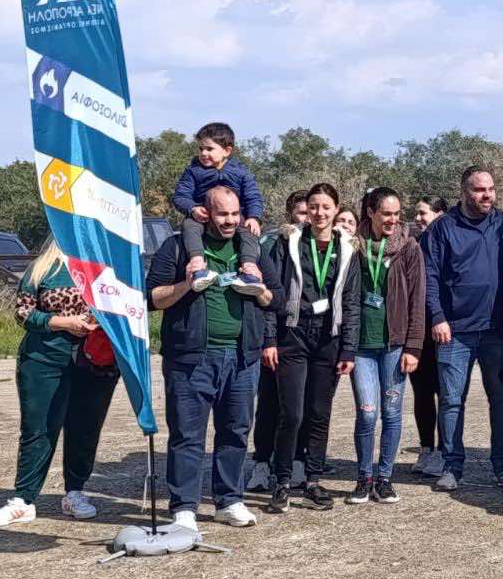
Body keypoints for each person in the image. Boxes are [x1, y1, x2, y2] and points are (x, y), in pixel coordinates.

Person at [146, 186, 283, 530]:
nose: (230, 221)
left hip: (241, 358)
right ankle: (184, 508)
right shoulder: (177, 247)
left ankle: (229, 501)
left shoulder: (249, 247)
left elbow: (277, 299)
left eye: (235, 214)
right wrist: (186, 286)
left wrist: (259, 291)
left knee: (235, 431)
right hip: (191, 359)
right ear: (205, 213)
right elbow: (152, 297)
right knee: (187, 435)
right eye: (223, 214)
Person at [0, 242, 120, 528]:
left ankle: (75, 492)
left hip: (94, 360)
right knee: (39, 428)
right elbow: (23, 313)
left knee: (85, 428)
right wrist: (62, 322)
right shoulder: (44, 268)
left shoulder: (106, 267)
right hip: (43, 358)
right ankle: (23, 500)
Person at [266, 182, 362, 512]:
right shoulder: (289, 242)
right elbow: (272, 292)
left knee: (320, 413)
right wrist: (269, 339)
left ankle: (312, 481)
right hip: (293, 335)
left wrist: (348, 349)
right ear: (306, 209)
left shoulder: (348, 248)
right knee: (292, 413)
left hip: (328, 339)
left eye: (326, 207)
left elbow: (351, 303)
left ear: (336, 210)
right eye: (314, 207)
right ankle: (280, 481)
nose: (319, 213)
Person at [422, 165, 503, 492]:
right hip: (455, 332)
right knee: (451, 400)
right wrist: (437, 317)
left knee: (501, 399)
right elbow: (430, 276)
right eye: (479, 190)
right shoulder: (442, 228)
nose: (486, 195)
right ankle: (451, 466)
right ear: (463, 191)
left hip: (497, 331)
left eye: (490, 189)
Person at [346, 187, 426, 505]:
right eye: (386, 214)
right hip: (361, 345)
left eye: (396, 214)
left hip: (395, 344)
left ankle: (385, 477)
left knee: (391, 413)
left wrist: (414, 347)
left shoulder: (409, 248)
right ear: (370, 213)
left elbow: (418, 300)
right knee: (367, 413)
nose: (392, 220)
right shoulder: (353, 245)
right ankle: (364, 477)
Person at [249, 189, 312, 493]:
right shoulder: (274, 244)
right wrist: (268, 339)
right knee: (270, 404)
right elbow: (268, 298)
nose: (306, 218)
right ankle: (261, 463)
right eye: (301, 213)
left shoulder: (316, 245)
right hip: (275, 336)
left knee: (299, 406)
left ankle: (296, 460)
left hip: (304, 339)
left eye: (309, 212)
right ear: (290, 216)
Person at [173, 122, 265, 293]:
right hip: (203, 217)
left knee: (249, 230)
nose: (203, 153)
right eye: (200, 149)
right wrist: (193, 208)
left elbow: (253, 196)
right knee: (189, 226)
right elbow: (180, 196)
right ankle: (198, 266)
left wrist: (254, 217)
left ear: (227, 151)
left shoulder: (241, 172)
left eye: (209, 149)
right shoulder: (193, 172)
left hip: (235, 217)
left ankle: (249, 270)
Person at [409, 194, 447, 477]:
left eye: (423, 213)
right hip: (417, 332)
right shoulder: (413, 244)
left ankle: (446, 451)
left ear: (440, 214)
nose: (418, 219)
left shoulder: (446, 243)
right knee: (421, 393)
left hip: (443, 329)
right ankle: (426, 450)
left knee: (446, 393)